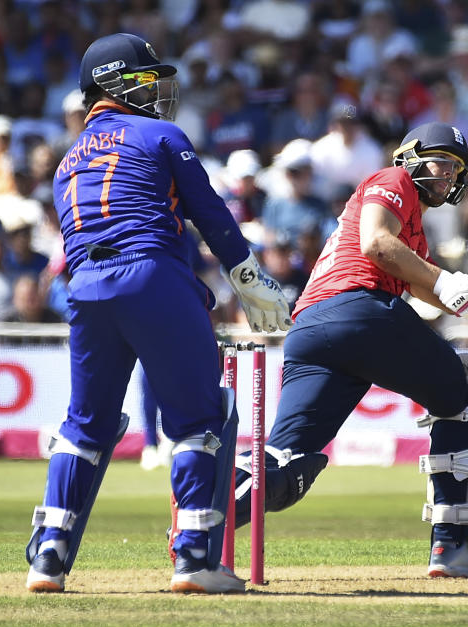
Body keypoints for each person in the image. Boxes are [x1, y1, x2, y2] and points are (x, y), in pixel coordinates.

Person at [24, 33, 291, 595]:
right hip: (152, 275)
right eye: (145, 78)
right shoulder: (161, 133)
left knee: (85, 425)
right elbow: (210, 213)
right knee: (202, 416)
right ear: (114, 82)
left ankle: (48, 554)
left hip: (86, 291)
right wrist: (250, 278)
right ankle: (194, 558)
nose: (156, 89)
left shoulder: (67, 160)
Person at [229, 122, 468, 578]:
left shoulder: (413, 233)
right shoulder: (393, 181)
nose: (449, 176)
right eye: (442, 163)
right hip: (358, 310)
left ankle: (199, 527)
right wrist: (452, 284)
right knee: (464, 392)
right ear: (409, 156)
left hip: (311, 329)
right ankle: (453, 548)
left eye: (456, 170)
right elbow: (375, 245)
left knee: (285, 464)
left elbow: (420, 282)